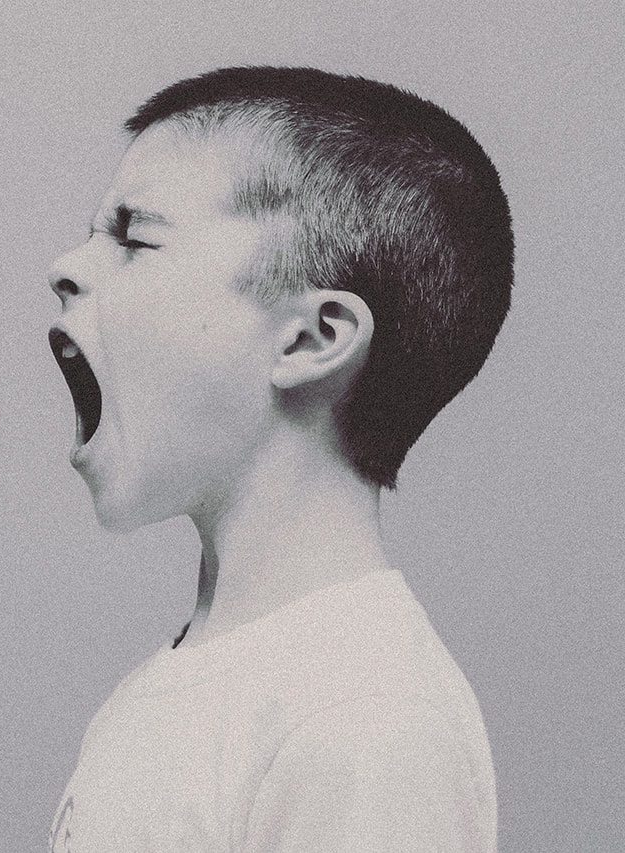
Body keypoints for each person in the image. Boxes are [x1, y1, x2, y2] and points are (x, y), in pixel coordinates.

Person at [46, 66, 511, 852]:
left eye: (133, 237)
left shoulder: (366, 724)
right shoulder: (174, 688)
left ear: (312, 338)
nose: (66, 267)